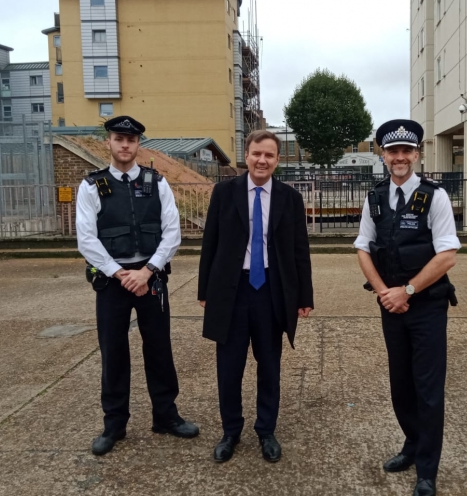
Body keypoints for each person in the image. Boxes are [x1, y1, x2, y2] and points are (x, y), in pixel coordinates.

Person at [76, 115, 198, 456]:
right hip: (112, 281)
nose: (125, 145)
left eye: (131, 140)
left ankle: (166, 416)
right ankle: (114, 424)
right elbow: (86, 239)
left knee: (159, 349)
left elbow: (172, 233)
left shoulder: (156, 183)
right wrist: (121, 274)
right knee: (113, 352)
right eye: (119, 138)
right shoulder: (92, 186)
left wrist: (146, 272)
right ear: (109, 142)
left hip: (151, 276)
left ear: (138, 144)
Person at [354, 120, 460, 496]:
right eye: (392, 151)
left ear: (416, 154)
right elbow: (362, 247)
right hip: (391, 306)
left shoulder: (435, 196)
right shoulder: (375, 198)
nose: (399, 157)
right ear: (383, 155)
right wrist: (386, 292)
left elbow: (447, 255)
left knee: (428, 389)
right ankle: (412, 445)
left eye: (406, 151)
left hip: (427, 307)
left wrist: (408, 290)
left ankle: (427, 470)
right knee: (401, 385)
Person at [198, 129, 314, 464]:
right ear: (246, 156)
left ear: (277, 160)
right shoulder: (224, 192)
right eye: (256, 154)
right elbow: (211, 243)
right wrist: (205, 290)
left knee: (270, 365)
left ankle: (266, 430)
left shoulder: (290, 198)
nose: (262, 160)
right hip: (231, 291)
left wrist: (304, 296)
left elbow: (300, 250)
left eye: (269, 155)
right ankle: (230, 431)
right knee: (229, 367)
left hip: (271, 292)